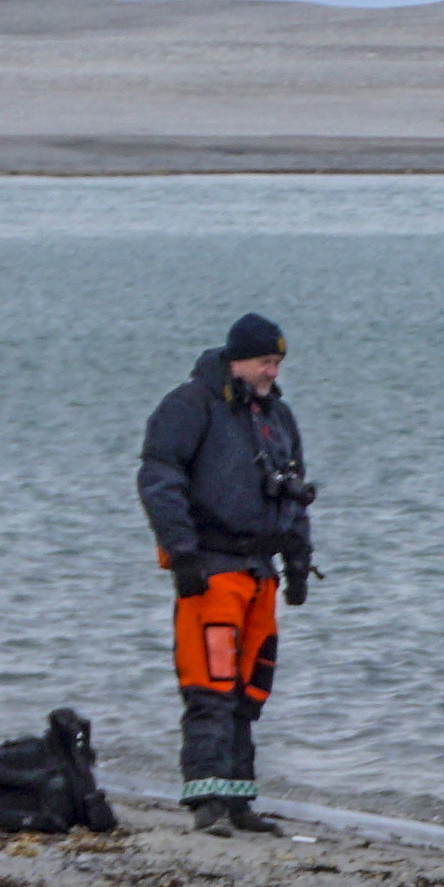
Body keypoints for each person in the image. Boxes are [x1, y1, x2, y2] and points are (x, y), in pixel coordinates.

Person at [135, 311, 315, 835]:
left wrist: (299, 560)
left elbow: (296, 490)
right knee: (210, 685)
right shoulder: (188, 406)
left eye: (278, 363)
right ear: (237, 358)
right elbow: (158, 476)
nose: (272, 373)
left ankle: (238, 798)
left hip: (261, 572)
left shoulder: (277, 417)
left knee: (250, 688)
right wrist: (182, 553)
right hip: (211, 568)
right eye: (265, 362)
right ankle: (205, 800)